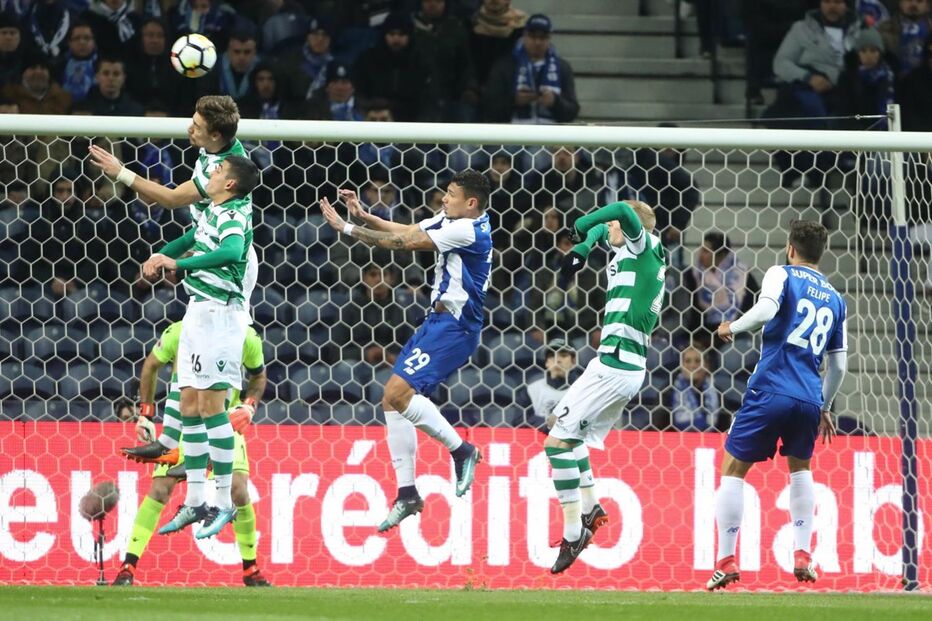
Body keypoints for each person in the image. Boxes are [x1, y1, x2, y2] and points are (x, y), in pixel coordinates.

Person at [318, 171, 490, 531]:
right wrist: (364, 215)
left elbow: (405, 245)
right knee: (390, 400)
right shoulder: (452, 219)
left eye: (451, 194)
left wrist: (347, 229)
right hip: (437, 321)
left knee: (398, 393)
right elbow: (406, 229)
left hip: (456, 326)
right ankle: (408, 493)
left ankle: (462, 450)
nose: (444, 198)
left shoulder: (468, 230)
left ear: (470, 203)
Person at [706, 220, 847, 590]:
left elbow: (766, 310)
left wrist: (731, 327)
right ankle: (802, 553)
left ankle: (725, 560)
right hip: (808, 397)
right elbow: (840, 363)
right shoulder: (835, 297)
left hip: (770, 388)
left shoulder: (780, 274)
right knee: (800, 469)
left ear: (790, 248)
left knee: (733, 467)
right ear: (821, 252)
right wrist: (825, 406)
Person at [128, 155, 259, 539]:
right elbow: (192, 239)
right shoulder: (212, 212)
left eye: (218, 171)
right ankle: (195, 500)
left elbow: (233, 252)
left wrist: (181, 265)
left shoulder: (233, 214)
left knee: (211, 407)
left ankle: (222, 504)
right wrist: (162, 254)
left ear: (230, 183)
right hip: (199, 313)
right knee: (189, 403)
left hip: (222, 317)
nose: (211, 173)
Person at [551, 199, 666, 574]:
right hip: (617, 363)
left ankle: (574, 532)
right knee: (571, 438)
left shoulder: (643, 244)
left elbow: (624, 214)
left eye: (612, 227)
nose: (609, 232)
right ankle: (591, 507)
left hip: (616, 364)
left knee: (555, 444)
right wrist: (583, 246)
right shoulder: (634, 248)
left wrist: (583, 220)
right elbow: (610, 226)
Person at [111, 320, 271, 587]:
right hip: (187, 423)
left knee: (239, 489)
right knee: (161, 488)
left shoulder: (246, 336)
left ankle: (250, 568)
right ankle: (128, 566)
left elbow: (259, 376)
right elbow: (151, 366)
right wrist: (146, 415)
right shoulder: (181, 330)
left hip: (224, 422)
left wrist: (249, 406)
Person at [88, 95, 259, 317]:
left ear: (216, 135)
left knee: (223, 332)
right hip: (208, 241)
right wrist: (161, 256)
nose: (190, 129)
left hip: (225, 260)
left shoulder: (220, 170)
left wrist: (121, 172)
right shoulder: (222, 144)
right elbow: (198, 232)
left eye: (197, 127)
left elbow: (172, 199)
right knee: (197, 331)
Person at [482, 13, 579, 124]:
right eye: (533, 36)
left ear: (549, 38)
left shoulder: (562, 67)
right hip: (513, 135)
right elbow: (489, 108)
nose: (537, 42)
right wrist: (514, 101)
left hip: (551, 136)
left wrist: (555, 102)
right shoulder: (505, 66)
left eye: (543, 37)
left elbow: (572, 111)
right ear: (524, 36)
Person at [521, 338, 576, 431]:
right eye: (552, 356)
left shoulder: (584, 389)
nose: (557, 360)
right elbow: (519, 420)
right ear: (546, 362)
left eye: (563, 355)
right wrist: (546, 424)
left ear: (573, 361)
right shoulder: (533, 389)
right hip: (538, 442)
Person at [669, 345, 720, 431]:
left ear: (706, 366)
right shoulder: (668, 391)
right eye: (688, 361)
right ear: (681, 365)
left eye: (697, 361)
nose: (692, 365)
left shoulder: (718, 393)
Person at [878, 0, 932, 76]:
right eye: (908, 0)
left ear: (928, 6)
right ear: (900, 3)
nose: (913, 4)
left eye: (919, 1)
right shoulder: (884, 30)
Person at [60, 21, 98, 104]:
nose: (82, 42)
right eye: (77, 38)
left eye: (87, 38)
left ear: (94, 42)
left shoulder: (102, 65)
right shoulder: (59, 65)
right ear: (69, 43)